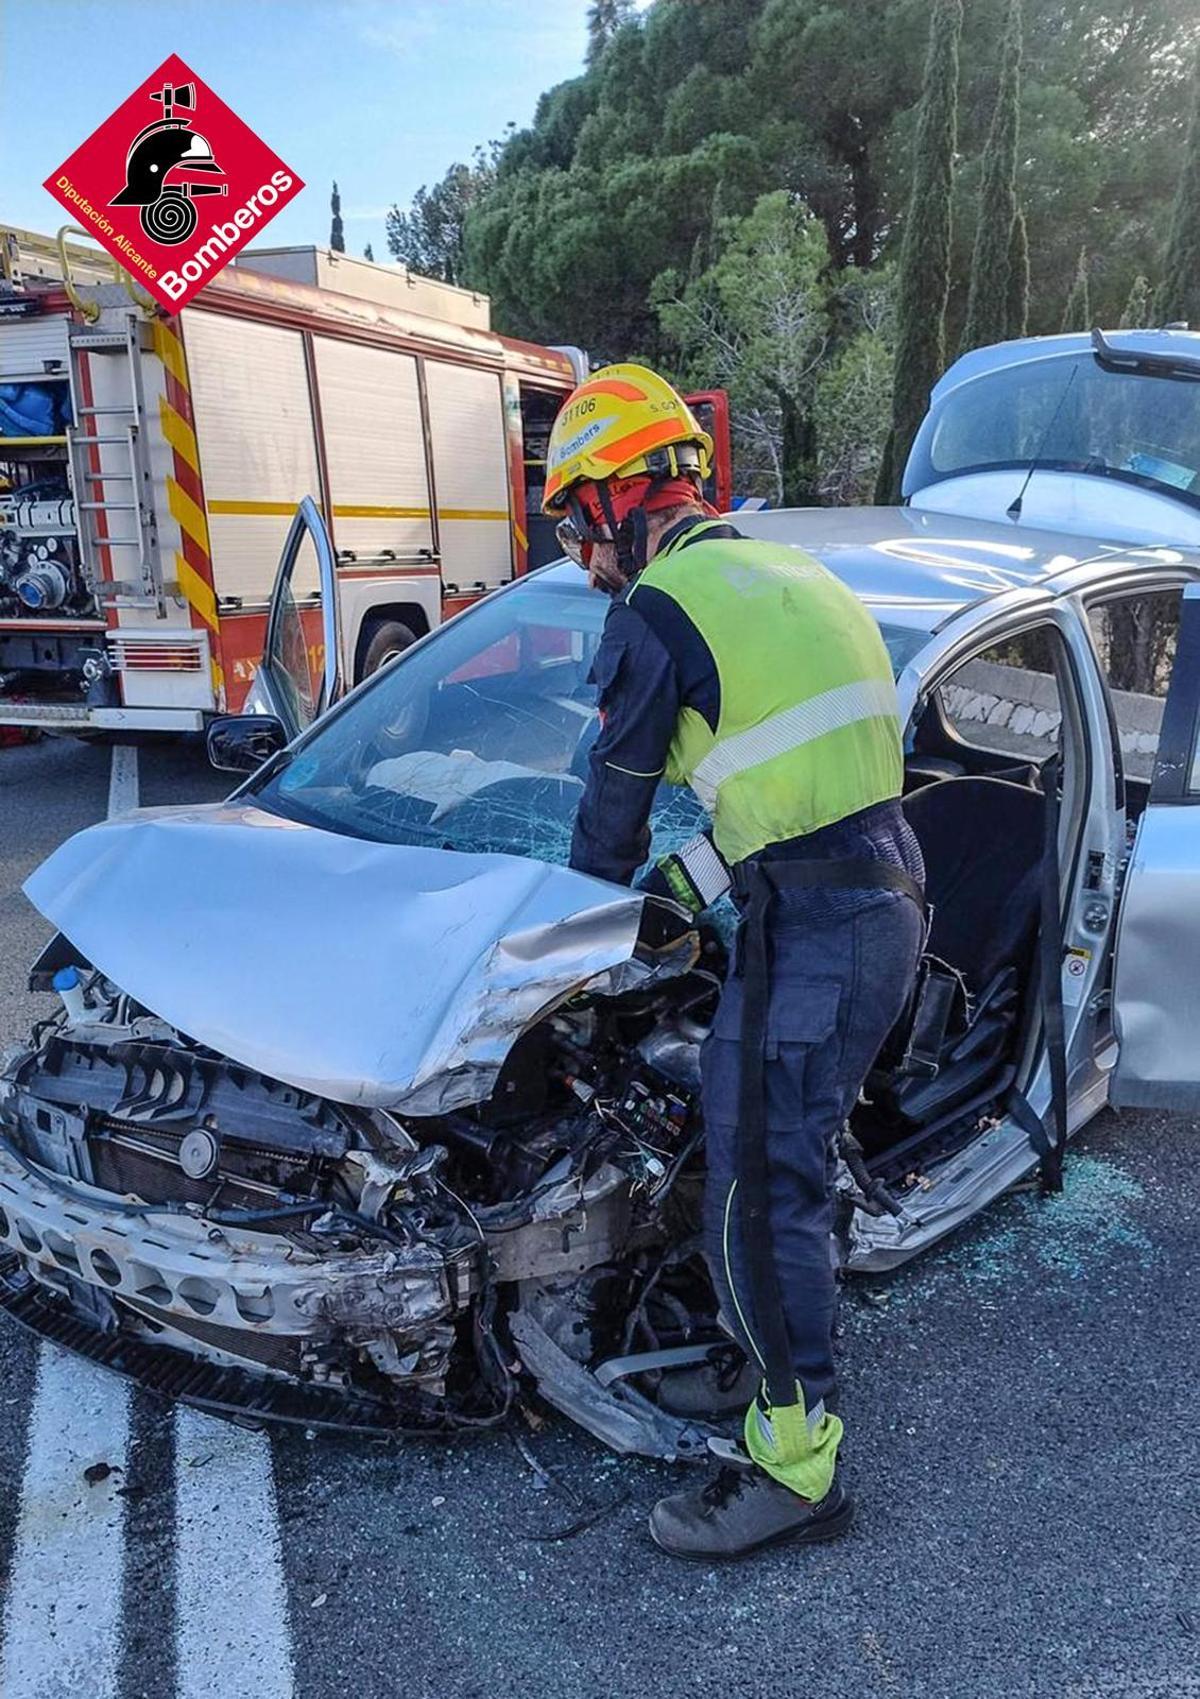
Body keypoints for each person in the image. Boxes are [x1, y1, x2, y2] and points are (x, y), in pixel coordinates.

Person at [543, 363, 926, 1561]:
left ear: (620, 496)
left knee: (762, 1195)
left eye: (574, 521)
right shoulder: (791, 574)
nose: (579, 552)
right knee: (755, 1160)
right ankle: (749, 1357)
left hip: (813, 929)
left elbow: (605, 824)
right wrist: (684, 896)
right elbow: (791, 786)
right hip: (879, 892)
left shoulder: (655, 612)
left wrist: (558, 947)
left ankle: (796, 1465)